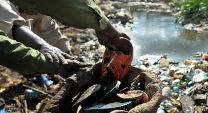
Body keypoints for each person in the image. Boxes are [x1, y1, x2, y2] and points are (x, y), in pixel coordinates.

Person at [0, 0, 133, 78]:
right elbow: (4, 47)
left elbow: (61, 4)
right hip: (6, 15)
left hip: (18, 10)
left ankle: (46, 69)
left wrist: (103, 26)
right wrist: (45, 62)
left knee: (44, 25)